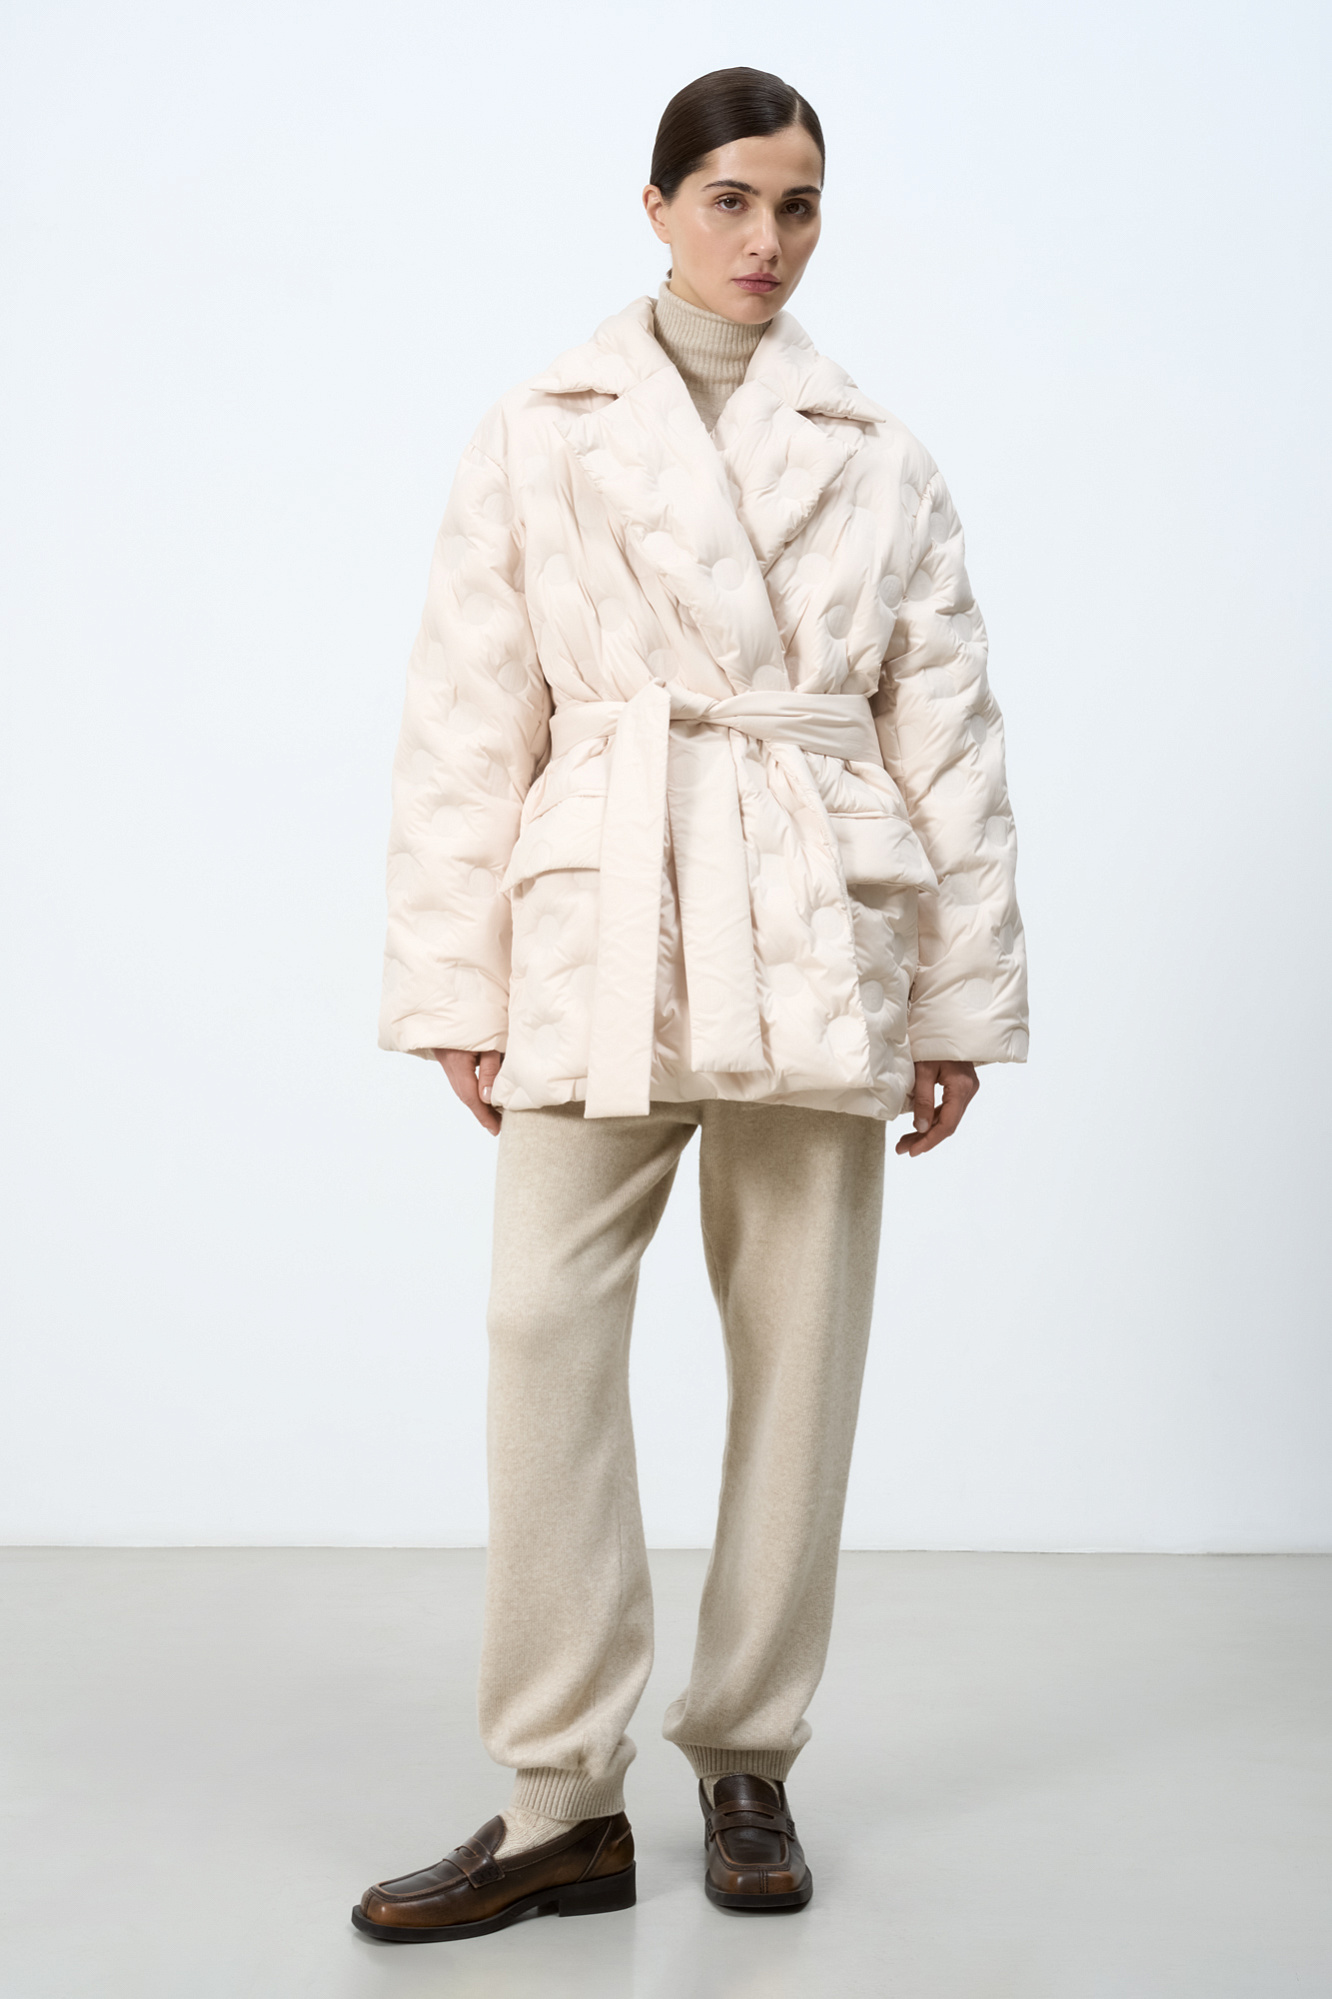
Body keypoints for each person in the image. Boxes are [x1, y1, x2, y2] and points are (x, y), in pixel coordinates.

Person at [354, 65, 1028, 1943]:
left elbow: (951, 740)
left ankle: (748, 1757)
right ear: (655, 205)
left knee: (800, 1346)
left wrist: (957, 1002)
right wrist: (457, 978)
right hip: (604, 897)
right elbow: (467, 716)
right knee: (540, 1325)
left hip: (818, 903)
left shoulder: (880, 452)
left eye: (799, 204)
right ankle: (558, 1797)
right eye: (731, 198)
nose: (766, 239)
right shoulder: (538, 430)